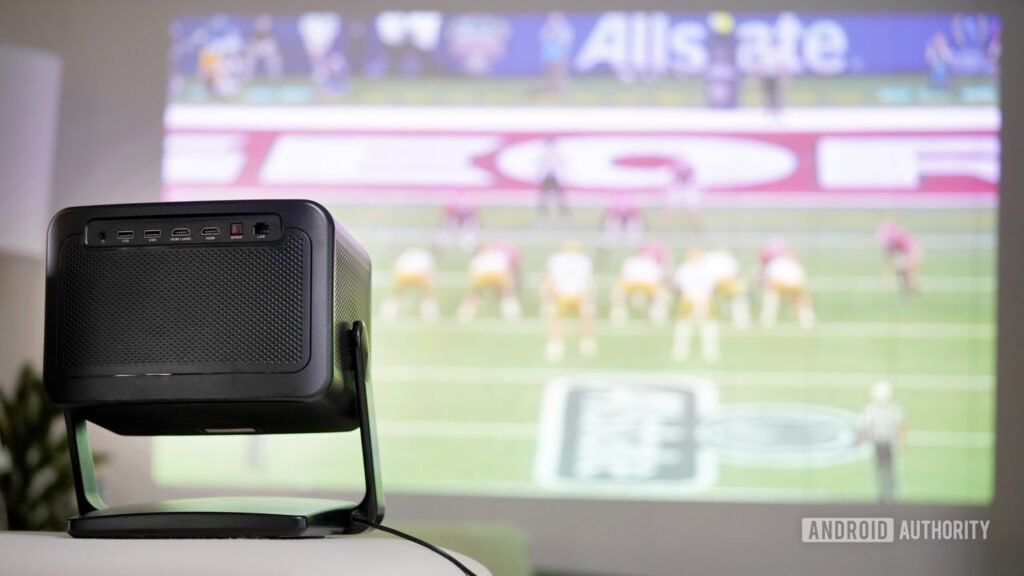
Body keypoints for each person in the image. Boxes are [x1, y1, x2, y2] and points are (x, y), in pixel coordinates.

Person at [542, 243, 596, 362]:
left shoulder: (583, 261)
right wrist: (551, 293)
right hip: (560, 294)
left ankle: (586, 341)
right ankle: (556, 343)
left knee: (585, 317)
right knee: (557, 319)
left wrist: (586, 294)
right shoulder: (556, 260)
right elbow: (549, 277)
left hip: (579, 295)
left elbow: (587, 280)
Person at [859, 381, 906, 503]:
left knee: (888, 470)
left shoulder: (892, 410)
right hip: (879, 443)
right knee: (881, 470)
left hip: (887, 443)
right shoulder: (873, 410)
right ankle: (883, 495)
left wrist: (900, 441)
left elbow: (899, 427)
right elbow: (866, 428)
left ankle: (890, 494)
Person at [672, 250, 720, 362]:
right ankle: (680, 349)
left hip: (705, 299)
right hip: (688, 299)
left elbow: (712, 287)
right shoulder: (684, 269)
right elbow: (680, 286)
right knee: (683, 324)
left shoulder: (708, 269)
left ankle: (710, 350)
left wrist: (704, 301)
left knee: (709, 325)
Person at [457, 242, 523, 322]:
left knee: (475, 295)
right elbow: (505, 270)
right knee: (506, 294)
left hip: (484, 276)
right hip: (495, 275)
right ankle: (512, 315)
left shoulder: (479, 257)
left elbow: (472, 272)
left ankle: (465, 315)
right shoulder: (497, 255)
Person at [610, 244, 671, 325]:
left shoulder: (651, 262)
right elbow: (623, 276)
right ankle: (618, 316)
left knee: (661, 293)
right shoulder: (630, 262)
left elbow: (659, 278)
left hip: (650, 285)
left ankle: (658, 316)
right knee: (618, 293)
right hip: (631, 284)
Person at [379, 247, 440, 322]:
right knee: (427, 296)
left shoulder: (407, 255)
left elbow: (397, 268)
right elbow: (431, 272)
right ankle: (431, 317)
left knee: (395, 295)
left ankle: (387, 316)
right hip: (419, 274)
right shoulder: (426, 256)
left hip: (406, 273)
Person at [759, 249, 815, 329]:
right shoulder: (777, 264)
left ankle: (808, 323)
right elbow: (770, 281)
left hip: (793, 290)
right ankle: (767, 322)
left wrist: (796, 289)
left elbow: (801, 282)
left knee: (802, 299)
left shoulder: (796, 265)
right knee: (770, 297)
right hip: (777, 289)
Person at [703, 249, 750, 329]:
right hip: (710, 284)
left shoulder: (730, 260)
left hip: (726, 283)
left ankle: (741, 320)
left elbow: (734, 275)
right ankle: (706, 319)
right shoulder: (710, 258)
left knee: (739, 294)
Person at [876, 221, 921, 295]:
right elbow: (888, 259)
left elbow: (910, 253)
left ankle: (911, 288)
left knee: (907, 272)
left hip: (908, 251)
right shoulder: (893, 239)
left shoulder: (901, 240)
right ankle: (908, 289)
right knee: (902, 272)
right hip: (903, 252)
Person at [537, 11, 574, 96]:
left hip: (560, 55)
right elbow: (543, 39)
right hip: (548, 55)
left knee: (560, 73)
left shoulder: (565, 29)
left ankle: (563, 91)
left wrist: (557, 37)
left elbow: (567, 41)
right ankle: (550, 89)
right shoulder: (546, 28)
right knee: (548, 73)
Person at [537, 138, 569, 223]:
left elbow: (561, 165)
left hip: (555, 177)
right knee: (543, 198)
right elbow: (541, 166)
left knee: (560, 198)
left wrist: (562, 176)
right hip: (547, 177)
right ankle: (544, 215)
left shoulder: (556, 154)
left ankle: (563, 215)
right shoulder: (544, 154)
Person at [665, 158, 702, 229]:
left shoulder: (688, 168)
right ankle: (668, 226)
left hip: (687, 190)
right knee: (672, 208)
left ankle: (697, 225)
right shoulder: (676, 168)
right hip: (678, 190)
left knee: (693, 208)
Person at [245, 14, 283, 79]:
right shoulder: (254, 33)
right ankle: (247, 77)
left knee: (275, 57)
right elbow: (252, 42)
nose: (263, 25)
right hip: (257, 46)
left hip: (267, 46)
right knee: (249, 56)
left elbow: (274, 44)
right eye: (261, 23)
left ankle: (275, 78)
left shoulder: (271, 34)